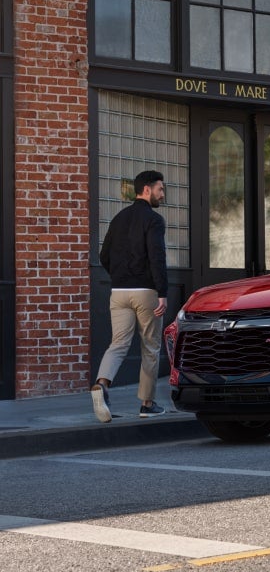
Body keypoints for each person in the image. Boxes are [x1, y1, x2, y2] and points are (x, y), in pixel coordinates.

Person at [91, 169, 169, 422]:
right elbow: (156, 256)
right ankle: (147, 404)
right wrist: (163, 292)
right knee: (150, 346)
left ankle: (101, 385)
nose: (163, 194)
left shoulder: (119, 218)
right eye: (160, 189)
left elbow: (104, 255)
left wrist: (120, 275)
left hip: (119, 291)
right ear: (147, 189)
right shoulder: (154, 220)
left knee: (118, 343)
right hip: (146, 291)